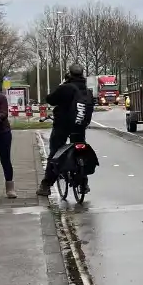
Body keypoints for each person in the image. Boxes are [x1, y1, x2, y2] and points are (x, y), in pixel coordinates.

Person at [36, 64, 95, 196]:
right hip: (79, 125)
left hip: (62, 125)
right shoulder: (85, 89)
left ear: (69, 73)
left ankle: (46, 185)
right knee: (81, 151)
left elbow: (50, 99)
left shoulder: (66, 87)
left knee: (55, 153)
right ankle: (84, 183)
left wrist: (62, 85)